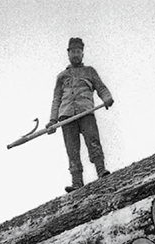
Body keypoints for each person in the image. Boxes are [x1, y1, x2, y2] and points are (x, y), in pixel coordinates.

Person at [46, 37, 114, 193]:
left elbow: (101, 87)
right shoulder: (62, 76)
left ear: (82, 54)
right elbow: (56, 99)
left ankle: (101, 170)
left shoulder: (89, 71)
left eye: (78, 52)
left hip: (85, 112)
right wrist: (52, 121)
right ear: (68, 54)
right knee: (72, 149)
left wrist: (107, 98)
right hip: (66, 116)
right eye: (73, 52)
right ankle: (77, 182)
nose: (76, 55)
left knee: (93, 140)